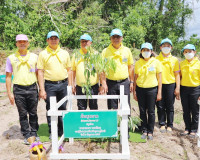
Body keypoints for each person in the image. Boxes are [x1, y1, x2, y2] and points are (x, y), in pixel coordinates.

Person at [37, 31, 71, 139]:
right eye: (51, 38)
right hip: (49, 85)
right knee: (50, 108)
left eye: (55, 38)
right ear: (47, 40)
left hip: (63, 84)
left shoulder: (64, 53)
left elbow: (69, 70)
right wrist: (42, 89)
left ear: (58, 40)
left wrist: (70, 85)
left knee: (62, 107)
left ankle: (62, 130)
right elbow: (40, 72)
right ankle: (52, 131)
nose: (53, 40)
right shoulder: (43, 54)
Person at [6, 34, 39, 144]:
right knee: (22, 114)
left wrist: (41, 89)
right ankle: (26, 135)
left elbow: (39, 74)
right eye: (19, 41)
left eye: (24, 41)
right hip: (19, 90)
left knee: (33, 113)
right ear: (16, 44)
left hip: (32, 88)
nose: (22, 43)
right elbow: (8, 76)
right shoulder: (11, 58)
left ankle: (34, 133)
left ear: (28, 43)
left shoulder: (34, 57)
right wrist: (9, 93)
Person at [133, 43, 162, 140]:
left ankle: (150, 131)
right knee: (142, 111)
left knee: (151, 111)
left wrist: (159, 92)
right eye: (144, 50)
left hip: (152, 90)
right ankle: (144, 130)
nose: (146, 52)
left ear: (151, 51)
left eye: (148, 50)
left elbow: (160, 79)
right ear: (141, 51)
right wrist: (134, 92)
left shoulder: (156, 62)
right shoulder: (138, 63)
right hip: (140, 89)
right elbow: (135, 78)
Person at [100, 29, 134, 109]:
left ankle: (127, 121)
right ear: (110, 38)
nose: (116, 39)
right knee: (112, 109)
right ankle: (113, 122)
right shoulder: (105, 51)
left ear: (121, 38)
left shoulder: (127, 50)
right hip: (111, 84)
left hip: (124, 83)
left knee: (125, 107)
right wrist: (103, 83)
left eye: (118, 37)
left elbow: (130, 67)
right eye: (113, 37)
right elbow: (102, 69)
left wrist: (132, 82)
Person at [156, 38, 180, 133]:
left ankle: (170, 124)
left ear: (171, 47)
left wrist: (177, 87)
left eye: (168, 46)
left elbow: (177, 74)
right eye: (164, 45)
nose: (166, 47)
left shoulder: (174, 60)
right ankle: (162, 123)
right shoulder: (156, 59)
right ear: (160, 47)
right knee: (160, 105)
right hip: (159, 84)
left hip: (170, 84)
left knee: (170, 106)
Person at [71, 34, 99, 110]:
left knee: (93, 106)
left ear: (91, 43)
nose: (84, 43)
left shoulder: (96, 54)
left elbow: (100, 70)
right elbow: (73, 71)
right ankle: (82, 121)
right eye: (82, 42)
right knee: (81, 107)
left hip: (93, 86)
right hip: (80, 87)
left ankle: (94, 122)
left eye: (86, 41)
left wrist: (103, 84)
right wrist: (72, 84)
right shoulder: (76, 55)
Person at [179, 44, 200, 138]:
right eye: (186, 51)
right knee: (186, 110)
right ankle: (187, 128)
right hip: (184, 89)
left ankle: (194, 130)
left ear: (194, 52)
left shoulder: (198, 64)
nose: (188, 53)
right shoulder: (182, 63)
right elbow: (180, 77)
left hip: (195, 89)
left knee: (195, 110)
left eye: (190, 51)